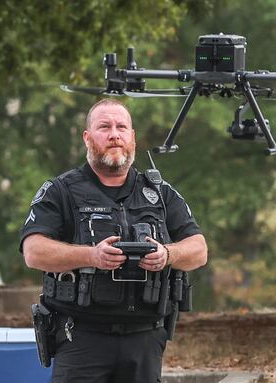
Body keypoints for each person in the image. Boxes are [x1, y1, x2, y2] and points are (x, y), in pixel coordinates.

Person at [21, 98, 208, 383]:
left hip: (144, 340)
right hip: (81, 336)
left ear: (132, 137)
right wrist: (91, 256)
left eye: (122, 127)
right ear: (87, 137)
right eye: (104, 127)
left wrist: (167, 254)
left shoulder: (159, 193)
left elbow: (199, 249)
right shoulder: (60, 190)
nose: (114, 134)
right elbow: (33, 251)